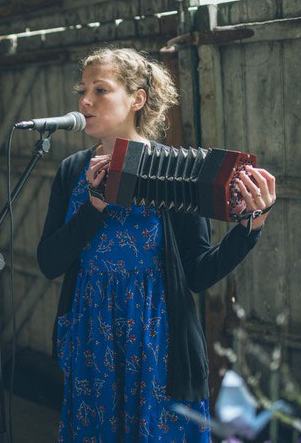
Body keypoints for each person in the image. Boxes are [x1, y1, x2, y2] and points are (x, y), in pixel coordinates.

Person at [37, 47, 276, 441]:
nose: (84, 101)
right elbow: (49, 262)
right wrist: (94, 207)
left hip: (158, 339)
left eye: (100, 90)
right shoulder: (72, 170)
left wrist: (250, 229)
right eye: (83, 91)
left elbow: (198, 273)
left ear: (137, 99)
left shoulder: (176, 170)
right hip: (91, 334)